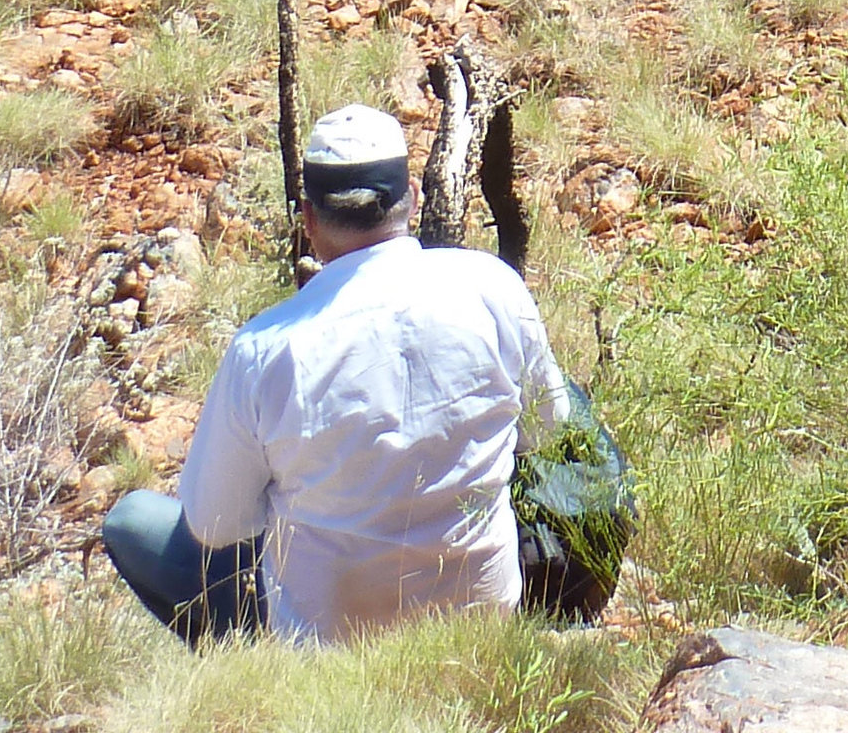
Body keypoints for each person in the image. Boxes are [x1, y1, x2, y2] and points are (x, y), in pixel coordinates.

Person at [105, 104, 569, 647]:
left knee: (133, 520)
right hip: (478, 623)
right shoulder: (492, 286)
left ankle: (255, 672)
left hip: (329, 650)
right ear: (413, 197)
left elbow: (216, 528)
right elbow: (546, 427)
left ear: (309, 217)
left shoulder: (265, 347)